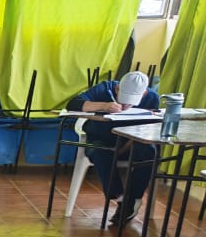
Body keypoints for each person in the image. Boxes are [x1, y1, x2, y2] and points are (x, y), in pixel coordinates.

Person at [66, 70, 160, 227]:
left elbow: (148, 129)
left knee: (149, 150)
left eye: (131, 102)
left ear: (143, 94)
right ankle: (121, 199)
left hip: (131, 142)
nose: (126, 105)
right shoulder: (104, 89)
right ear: (117, 89)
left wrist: (129, 144)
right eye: (124, 99)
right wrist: (104, 105)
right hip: (101, 139)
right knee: (99, 151)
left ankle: (134, 198)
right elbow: (73, 104)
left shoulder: (151, 98)